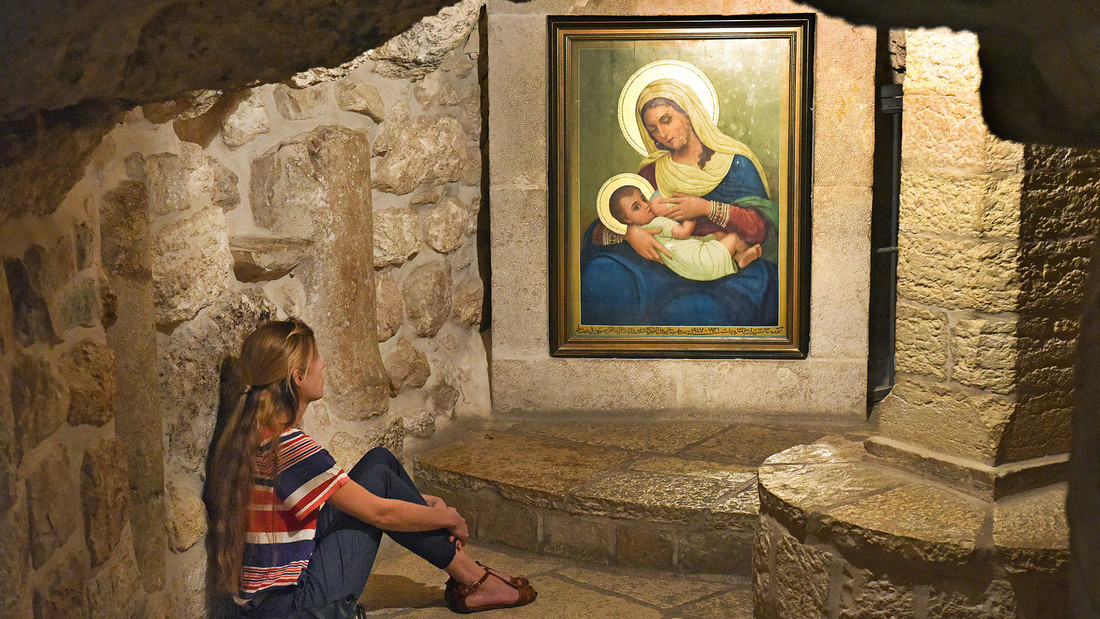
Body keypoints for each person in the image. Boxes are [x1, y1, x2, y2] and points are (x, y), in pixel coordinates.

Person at [207, 319, 536, 616]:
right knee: (379, 479)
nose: (324, 364)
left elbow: (340, 497)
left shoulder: (256, 433)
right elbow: (381, 514)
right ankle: (473, 578)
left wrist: (424, 503)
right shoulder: (292, 448)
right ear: (298, 377)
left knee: (380, 461)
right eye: (316, 359)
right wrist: (448, 516)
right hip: (298, 606)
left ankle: (468, 575)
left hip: (269, 604)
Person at [593, 77, 779, 266]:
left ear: (688, 113)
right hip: (671, 263)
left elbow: (761, 229)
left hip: (722, 261)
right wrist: (629, 234)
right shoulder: (652, 172)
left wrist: (706, 208)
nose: (663, 135)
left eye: (666, 120)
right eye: (653, 129)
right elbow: (599, 232)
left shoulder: (736, 164)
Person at [608, 183, 762, 281]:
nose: (646, 205)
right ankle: (740, 255)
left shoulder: (644, 227)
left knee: (718, 237)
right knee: (732, 238)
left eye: (643, 199)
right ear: (627, 220)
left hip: (690, 269)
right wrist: (692, 211)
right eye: (637, 207)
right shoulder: (656, 222)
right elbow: (683, 232)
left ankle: (739, 258)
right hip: (701, 261)